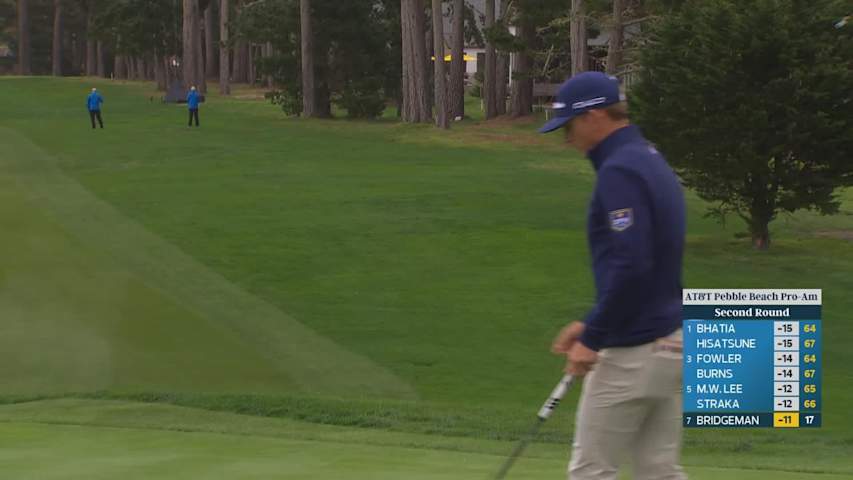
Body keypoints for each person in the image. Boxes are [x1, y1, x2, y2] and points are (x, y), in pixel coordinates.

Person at [540, 72, 687, 480]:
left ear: (593, 116)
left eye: (568, 127)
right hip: (673, 342)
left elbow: (632, 263)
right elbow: (650, 262)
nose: (568, 139)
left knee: (592, 472)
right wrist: (589, 323)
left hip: (633, 351)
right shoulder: (648, 157)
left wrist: (594, 336)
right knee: (659, 472)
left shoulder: (619, 170)